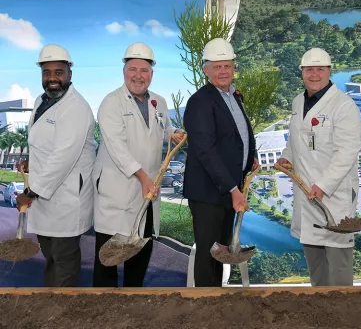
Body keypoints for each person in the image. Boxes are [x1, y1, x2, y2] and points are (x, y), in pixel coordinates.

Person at [92, 42, 184, 287]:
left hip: (147, 190)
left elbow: (163, 129)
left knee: (140, 256)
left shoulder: (159, 102)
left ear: (152, 74)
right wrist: (143, 177)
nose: (138, 76)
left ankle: (134, 302)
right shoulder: (111, 103)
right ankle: (102, 310)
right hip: (117, 190)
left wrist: (173, 133)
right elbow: (116, 147)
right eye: (133, 69)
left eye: (144, 71)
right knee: (107, 261)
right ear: (124, 72)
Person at [276, 48, 361, 286]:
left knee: (339, 263)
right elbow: (296, 140)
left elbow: (346, 153)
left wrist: (323, 185)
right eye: (309, 69)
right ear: (302, 72)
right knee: (315, 261)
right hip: (306, 193)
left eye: (320, 69)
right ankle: (321, 311)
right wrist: (287, 158)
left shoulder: (344, 106)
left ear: (329, 71)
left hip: (333, 195)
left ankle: (343, 315)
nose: (314, 74)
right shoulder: (297, 102)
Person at [16, 44, 96, 287]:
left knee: (64, 262)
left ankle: (64, 314)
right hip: (48, 193)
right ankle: (51, 305)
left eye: (58, 72)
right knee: (51, 258)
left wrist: (30, 193)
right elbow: (46, 142)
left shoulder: (76, 107)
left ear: (69, 74)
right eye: (46, 72)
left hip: (67, 198)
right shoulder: (42, 100)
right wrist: (33, 159)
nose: (52, 78)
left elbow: (64, 156)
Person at [183, 38, 258, 287]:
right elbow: (205, 151)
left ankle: (216, 300)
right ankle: (205, 306)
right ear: (206, 70)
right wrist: (233, 190)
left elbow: (240, 133)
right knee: (208, 253)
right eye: (217, 67)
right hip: (208, 193)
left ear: (233, 67)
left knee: (221, 252)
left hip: (226, 190)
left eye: (227, 65)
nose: (223, 71)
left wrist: (251, 157)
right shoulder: (199, 102)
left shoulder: (232, 95)